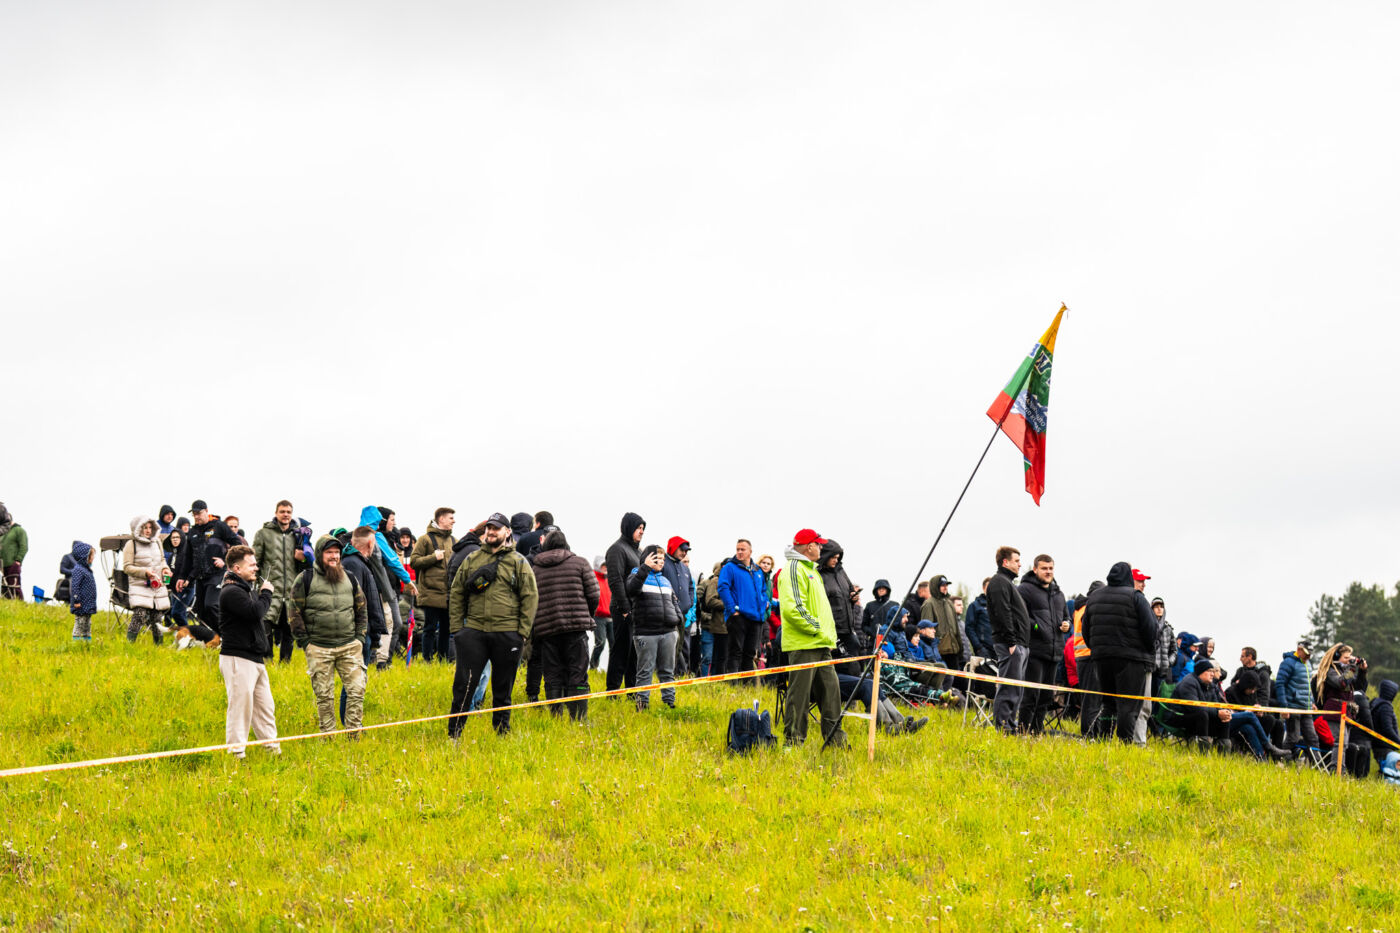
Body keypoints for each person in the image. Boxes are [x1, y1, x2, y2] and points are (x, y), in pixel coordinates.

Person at [447, 513, 538, 738]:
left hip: (507, 633)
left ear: (507, 532)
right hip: (473, 632)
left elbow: (530, 597)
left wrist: (522, 633)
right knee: (464, 687)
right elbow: (457, 592)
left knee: (502, 690)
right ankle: (454, 735)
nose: (491, 531)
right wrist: (458, 629)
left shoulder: (519, 562)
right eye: (488, 527)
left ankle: (501, 734)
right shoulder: (472, 559)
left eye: (496, 528)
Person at [288, 536, 369, 734]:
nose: (334, 556)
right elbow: (294, 612)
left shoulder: (350, 578)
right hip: (318, 647)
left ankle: (354, 734)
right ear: (319, 554)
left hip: (349, 646)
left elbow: (361, 608)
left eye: (337, 553)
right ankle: (328, 737)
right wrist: (305, 642)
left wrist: (359, 638)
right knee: (324, 696)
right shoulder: (305, 579)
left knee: (357, 690)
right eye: (329, 552)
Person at [778, 529, 846, 749]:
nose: (821, 548)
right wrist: (816, 628)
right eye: (818, 544)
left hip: (821, 643)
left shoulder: (812, 571)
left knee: (831, 693)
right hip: (804, 644)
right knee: (799, 696)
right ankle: (793, 743)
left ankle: (836, 742)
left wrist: (826, 635)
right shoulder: (794, 569)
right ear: (809, 546)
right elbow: (794, 608)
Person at [1080, 561, 1158, 744]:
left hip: (1101, 658)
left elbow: (1085, 629)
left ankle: (1103, 740)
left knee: (1108, 703)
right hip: (1131, 660)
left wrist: (1097, 649)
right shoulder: (1136, 597)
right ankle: (1125, 743)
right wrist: (1147, 651)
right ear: (1129, 577)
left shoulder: (1095, 597)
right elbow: (1151, 629)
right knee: (1128, 705)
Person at [217, 545, 280, 758]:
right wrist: (266, 593)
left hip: (255, 658)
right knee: (240, 708)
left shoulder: (244, 589)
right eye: (251, 565)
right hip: (237, 658)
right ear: (237, 568)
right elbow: (256, 612)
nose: (256, 568)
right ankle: (236, 754)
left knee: (265, 707)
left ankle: (272, 751)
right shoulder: (231, 592)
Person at [530, 528, 598, 720]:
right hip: (575, 628)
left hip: (547, 630)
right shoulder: (580, 563)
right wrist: (586, 614)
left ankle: (556, 717)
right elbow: (594, 594)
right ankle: (578, 718)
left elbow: (531, 600)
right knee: (578, 672)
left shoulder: (535, 569)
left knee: (552, 674)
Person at [627, 545, 683, 710]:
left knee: (667, 671)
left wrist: (678, 618)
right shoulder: (636, 574)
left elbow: (674, 601)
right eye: (658, 558)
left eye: (663, 559)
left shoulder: (665, 580)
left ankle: (669, 703)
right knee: (645, 671)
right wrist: (645, 568)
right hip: (646, 633)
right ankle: (642, 704)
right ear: (648, 558)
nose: (662, 562)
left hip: (668, 632)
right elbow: (631, 590)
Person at [1016, 557, 1067, 734]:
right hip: (1034, 651)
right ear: (1035, 569)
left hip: (1054, 652)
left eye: (1051, 568)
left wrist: (1066, 624)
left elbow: (1066, 617)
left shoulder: (1059, 594)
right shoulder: (1024, 589)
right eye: (1044, 568)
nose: (1048, 572)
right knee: (1031, 695)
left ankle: (1036, 733)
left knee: (1046, 697)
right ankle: (1023, 732)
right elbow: (1020, 616)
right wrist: (1038, 627)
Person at [173, 500, 241, 631]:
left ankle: (226, 635)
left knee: (211, 605)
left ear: (206, 511)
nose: (196, 516)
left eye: (199, 513)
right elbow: (188, 557)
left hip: (217, 574)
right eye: (194, 514)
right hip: (200, 577)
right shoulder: (192, 532)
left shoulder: (219, 526)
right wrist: (182, 577)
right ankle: (210, 639)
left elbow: (237, 543)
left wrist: (225, 560)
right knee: (201, 612)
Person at [252, 500, 304, 664]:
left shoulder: (298, 535)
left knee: (289, 629)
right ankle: (267, 660)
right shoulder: (263, 534)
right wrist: (258, 583)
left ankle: (285, 664)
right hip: (270, 589)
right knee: (265, 625)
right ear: (276, 513)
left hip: (291, 590)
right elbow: (255, 561)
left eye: (288, 512)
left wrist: (302, 558)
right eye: (282, 511)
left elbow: (306, 563)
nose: (285, 515)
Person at [986, 546, 1032, 734]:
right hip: (1010, 644)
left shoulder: (1008, 583)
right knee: (1009, 689)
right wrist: (1011, 642)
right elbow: (1002, 612)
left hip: (1020, 644)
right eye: (1016, 561)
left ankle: (1011, 726)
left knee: (1017, 689)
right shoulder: (998, 582)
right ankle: (1003, 727)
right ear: (1005, 562)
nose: (1020, 564)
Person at [410, 508, 457, 664]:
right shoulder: (424, 539)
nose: (454, 521)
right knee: (429, 628)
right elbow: (414, 562)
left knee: (446, 629)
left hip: (448, 594)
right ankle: (427, 660)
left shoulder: (454, 541)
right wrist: (433, 557)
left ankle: (443, 661)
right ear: (441, 519)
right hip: (430, 593)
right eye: (451, 518)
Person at [604, 512, 645, 693]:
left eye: (643, 528)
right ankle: (613, 691)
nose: (641, 531)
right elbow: (615, 580)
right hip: (623, 608)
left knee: (634, 653)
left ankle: (631, 691)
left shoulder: (638, 551)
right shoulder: (617, 549)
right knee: (621, 651)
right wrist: (625, 608)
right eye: (638, 528)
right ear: (629, 528)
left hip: (636, 609)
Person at [719, 539, 768, 678]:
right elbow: (723, 587)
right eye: (738, 549)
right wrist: (732, 609)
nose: (739, 552)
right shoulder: (729, 567)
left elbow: (763, 590)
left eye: (743, 549)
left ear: (750, 551)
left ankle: (747, 685)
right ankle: (733, 685)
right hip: (738, 616)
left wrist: (764, 604)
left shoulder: (757, 570)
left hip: (756, 618)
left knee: (750, 653)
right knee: (735, 652)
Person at [123, 515, 171, 644]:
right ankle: (129, 645)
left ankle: (159, 646)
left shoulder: (157, 542)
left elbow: (162, 560)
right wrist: (145, 572)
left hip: (157, 585)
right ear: (138, 529)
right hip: (140, 585)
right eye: (145, 528)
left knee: (157, 617)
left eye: (150, 527)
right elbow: (127, 567)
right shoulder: (131, 544)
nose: (148, 530)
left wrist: (165, 569)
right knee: (139, 615)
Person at [816, 539, 862, 656]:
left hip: (847, 628)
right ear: (825, 556)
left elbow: (850, 589)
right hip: (831, 629)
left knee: (855, 649)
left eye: (838, 557)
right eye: (833, 557)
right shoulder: (817, 574)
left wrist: (853, 597)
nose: (836, 560)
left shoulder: (841, 571)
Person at [1275, 642, 1319, 754]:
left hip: (1306, 708)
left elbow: (1307, 686)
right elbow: (1280, 684)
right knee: (1293, 738)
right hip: (1293, 707)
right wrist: (1284, 707)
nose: (1308, 656)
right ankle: (1280, 760)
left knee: (1313, 739)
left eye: (1310, 654)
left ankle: (1316, 764)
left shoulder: (1308, 664)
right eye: (1306, 653)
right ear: (1299, 650)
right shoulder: (1288, 663)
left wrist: (1312, 702)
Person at [661, 536, 695, 674]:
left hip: (682, 614)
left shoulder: (685, 569)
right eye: (682, 550)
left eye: (686, 551)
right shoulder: (663, 563)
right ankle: (668, 675)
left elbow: (691, 587)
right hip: (667, 614)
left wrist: (689, 602)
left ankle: (676, 675)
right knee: (669, 647)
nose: (684, 553)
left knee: (680, 646)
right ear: (673, 548)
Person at [922, 575, 964, 678]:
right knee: (944, 681)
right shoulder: (929, 604)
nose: (945, 587)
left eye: (946, 585)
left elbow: (956, 629)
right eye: (942, 585)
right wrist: (932, 652)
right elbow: (926, 631)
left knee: (958, 681)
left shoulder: (949, 603)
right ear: (935, 587)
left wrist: (960, 648)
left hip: (953, 651)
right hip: (939, 653)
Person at [697, 562, 726, 676]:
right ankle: (704, 679)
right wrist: (705, 616)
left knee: (717, 657)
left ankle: (714, 680)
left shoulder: (726, 583)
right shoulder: (706, 583)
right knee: (707, 657)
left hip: (721, 627)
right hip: (708, 626)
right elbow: (698, 603)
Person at [67, 541, 97, 641]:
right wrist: (76, 601)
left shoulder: (86, 570)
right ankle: (76, 642)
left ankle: (86, 642)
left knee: (87, 624)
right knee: (80, 623)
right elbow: (75, 586)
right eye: (91, 555)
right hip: (81, 604)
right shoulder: (78, 570)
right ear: (84, 556)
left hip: (87, 604)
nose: (93, 558)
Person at [0, 502, 29, 599]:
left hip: (13, 564)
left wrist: (18, 561)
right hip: (3, 564)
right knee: (4, 588)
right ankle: (7, 604)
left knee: (14, 586)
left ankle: (20, 602)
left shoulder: (19, 530)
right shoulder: (3, 533)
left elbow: (24, 546)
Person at [1369, 681, 1399, 769]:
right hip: (1384, 746)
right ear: (1391, 693)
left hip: (1377, 744)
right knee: (1390, 770)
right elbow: (1387, 728)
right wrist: (1398, 741)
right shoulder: (1385, 707)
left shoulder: (1375, 703)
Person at [589, 556, 612, 671]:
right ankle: (593, 667)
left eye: (606, 565)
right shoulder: (592, 579)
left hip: (611, 617)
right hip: (598, 617)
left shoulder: (609, 579)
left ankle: (613, 669)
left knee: (615, 645)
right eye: (603, 565)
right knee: (600, 643)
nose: (605, 567)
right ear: (597, 566)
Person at [861, 579, 900, 645]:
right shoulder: (870, 605)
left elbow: (899, 624)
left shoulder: (895, 605)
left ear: (887, 590)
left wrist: (892, 634)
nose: (881, 590)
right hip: (874, 642)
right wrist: (873, 633)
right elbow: (864, 625)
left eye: (883, 588)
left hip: (892, 641)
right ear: (876, 590)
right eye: (879, 588)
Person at [963, 578, 994, 659]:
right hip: (984, 650)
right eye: (989, 587)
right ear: (984, 588)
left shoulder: (999, 606)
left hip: (999, 649)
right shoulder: (975, 606)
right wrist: (978, 647)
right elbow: (969, 628)